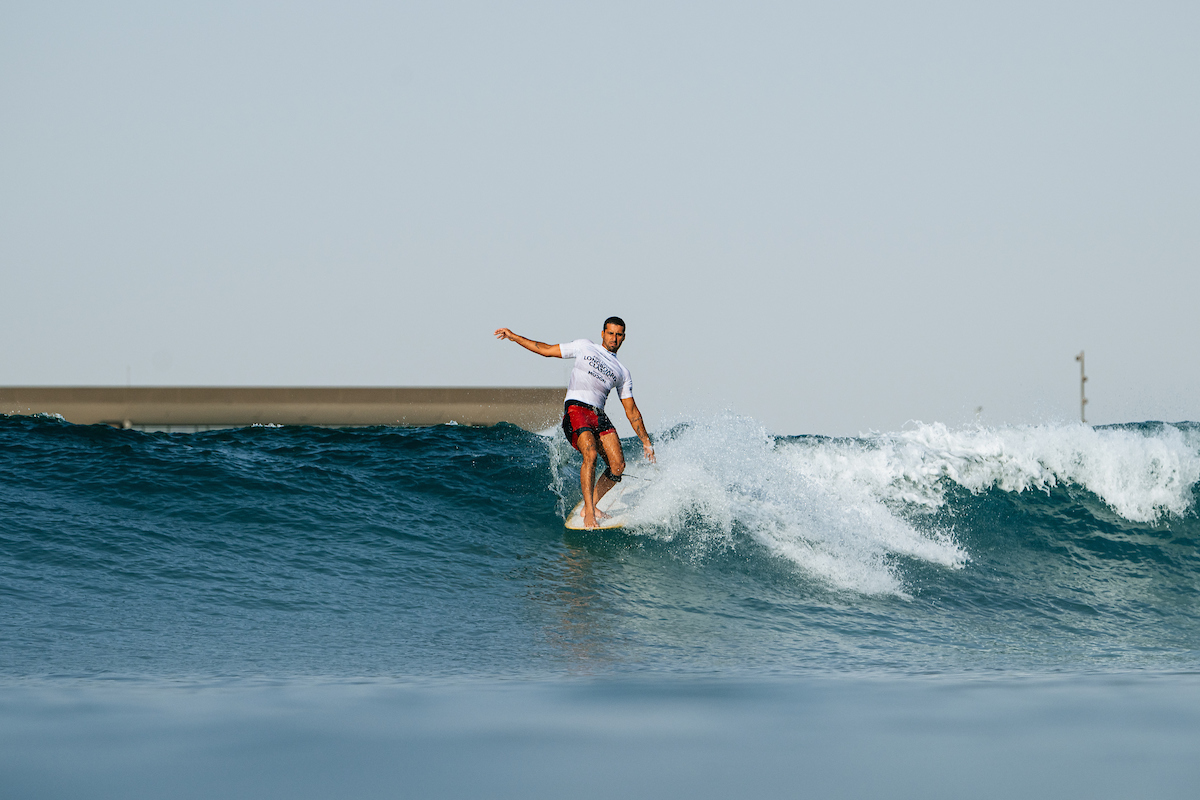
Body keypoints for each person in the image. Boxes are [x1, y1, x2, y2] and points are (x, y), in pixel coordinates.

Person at [495, 317, 655, 529]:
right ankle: (589, 510)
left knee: (617, 467)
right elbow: (546, 349)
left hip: (598, 415)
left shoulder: (623, 372)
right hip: (576, 409)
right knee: (590, 454)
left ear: (623, 338)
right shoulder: (585, 346)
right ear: (602, 333)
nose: (614, 338)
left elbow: (631, 410)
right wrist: (514, 337)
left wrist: (645, 440)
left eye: (618, 335)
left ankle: (593, 504)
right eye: (610, 333)